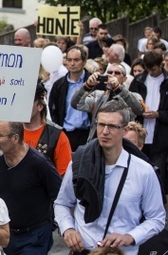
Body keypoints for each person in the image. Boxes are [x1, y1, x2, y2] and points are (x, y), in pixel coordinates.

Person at [54, 100, 165, 255]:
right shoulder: (79, 163)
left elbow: (157, 218)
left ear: (125, 130)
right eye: (101, 124)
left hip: (122, 252)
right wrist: (68, 229)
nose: (105, 131)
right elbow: (62, 203)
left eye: (112, 126)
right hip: (84, 250)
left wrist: (130, 237)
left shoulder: (144, 171)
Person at [0, 121, 62, 255]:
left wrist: (53, 224)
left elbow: (60, 195)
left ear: (15, 138)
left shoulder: (39, 163)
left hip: (35, 237)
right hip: (9, 236)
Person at [127, 49, 168, 188]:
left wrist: (159, 114)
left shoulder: (166, 81)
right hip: (139, 134)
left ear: (161, 64)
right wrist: (138, 110)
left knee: (158, 175)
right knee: (136, 174)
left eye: (154, 68)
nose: (151, 72)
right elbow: (129, 104)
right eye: (148, 68)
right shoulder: (138, 81)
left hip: (160, 138)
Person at [72, 63, 144, 141]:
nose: (112, 75)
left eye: (117, 73)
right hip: (97, 143)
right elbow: (76, 104)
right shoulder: (98, 95)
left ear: (124, 79)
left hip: (121, 144)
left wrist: (118, 88)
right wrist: (87, 86)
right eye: (109, 72)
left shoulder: (134, 96)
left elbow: (139, 109)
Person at [49, 45, 92, 151]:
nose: (72, 64)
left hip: (88, 133)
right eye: (69, 60)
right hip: (66, 133)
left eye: (76, 60)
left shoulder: (93, 82)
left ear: (84, 62)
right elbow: (53, 109)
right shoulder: (59, 85)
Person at [24, 82, 72, 175]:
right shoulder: (8, 130)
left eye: (27, 102)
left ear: (40, 106)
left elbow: (64, 176)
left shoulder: (57, 136)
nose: (21, 106)